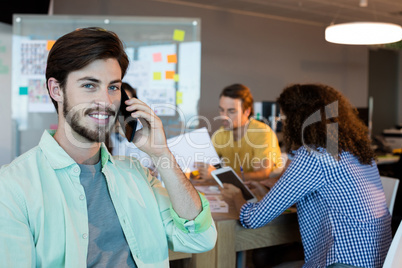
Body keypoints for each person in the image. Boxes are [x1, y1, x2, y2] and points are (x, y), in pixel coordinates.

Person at [0, 27, 216, 267]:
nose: (105, 101)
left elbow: (200, 239)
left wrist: (161, 153)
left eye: (113, 87)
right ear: (56, 90)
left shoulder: (137, 174)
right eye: (89, 85)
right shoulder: (12, 187)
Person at [221, 83, 392, 268]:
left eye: (285, 116)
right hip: (376, 258)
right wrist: (270, 189)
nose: (282, 122)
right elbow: (326, 197)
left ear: (298, 119)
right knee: (266, 256)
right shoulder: (356, 151)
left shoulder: (314, 156)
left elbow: (252, 219)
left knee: (265, 255)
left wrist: (236, 196)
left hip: (343, 260)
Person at [195, 83, 282, 181]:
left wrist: (218, 175)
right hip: (235, 191)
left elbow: (262, 175)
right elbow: (206, 165)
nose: (224, 116)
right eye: (222, 110)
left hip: (264, 193)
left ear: (247, 111)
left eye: (231, 111)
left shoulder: (263, 133)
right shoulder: (221, 134)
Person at [107, 82, 155, 172]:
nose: (121, 108)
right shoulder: (100, 132)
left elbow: (147, 171)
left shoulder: (141, 132)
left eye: (126, 103)